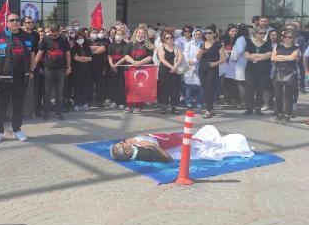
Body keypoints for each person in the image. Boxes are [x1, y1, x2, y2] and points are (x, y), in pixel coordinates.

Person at [0, 12, 34, 144]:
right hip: (3, 78)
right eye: (12, 20)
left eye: (17, 20)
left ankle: (17, 130)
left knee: (19, 105)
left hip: (21, 78)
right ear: (7, 22)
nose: (15, 22)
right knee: (1, 106)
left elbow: (32, 54)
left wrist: (31, 70)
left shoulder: (27, 37)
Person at [111, 125, 254, 162]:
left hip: (164, 139)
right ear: (128, 151)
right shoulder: (144, 153)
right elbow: (168, 159)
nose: (122, 142)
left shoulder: (131, 145)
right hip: (172, 147)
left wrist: (131, 140)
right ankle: (236, 143)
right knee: (203, 143)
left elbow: (128, 140)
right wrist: (153, 146)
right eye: (121, 145)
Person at [35, 23, 71, 120]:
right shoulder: (45, 39)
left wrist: (68, 66)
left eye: (55, 35)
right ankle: (46, 113)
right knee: (47, 92)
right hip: (48, 69)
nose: (53, 36)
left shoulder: (64, 39)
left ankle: (58, 112)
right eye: (52, 34)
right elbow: (40, 53)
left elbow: (67, 54)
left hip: (61, 69)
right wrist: (34, 65)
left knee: (59, 92)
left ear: (59, 31)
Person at [123, 26, 154, 114]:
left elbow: (150, 57)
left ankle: (138, 106)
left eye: (143, 33)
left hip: (142, 70)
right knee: (129, 88)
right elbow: (125, 55)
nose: (141, 34)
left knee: (140, 88)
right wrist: (133, 62)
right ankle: (129, 105)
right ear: (136, 33)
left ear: (145, 35)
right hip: (130, 69)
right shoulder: (130, 44)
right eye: (139, 33)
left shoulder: (148, 45)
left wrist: (140, 62)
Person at [197, 25, 226, 118]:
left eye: (209, 33)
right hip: (202, 69)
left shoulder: (218, 45)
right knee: (205, 89)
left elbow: (224, 59)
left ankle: (208, 110)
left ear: (214, 34)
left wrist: (215, 63)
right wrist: (201, 52)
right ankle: (210, 108)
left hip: (213, 69)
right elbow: (198, 58)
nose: (207, 35)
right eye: (205, 33)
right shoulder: (202, 44)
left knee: (209, 89)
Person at [272, 30, 300, 123]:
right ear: (282, 37)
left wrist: (279, 57)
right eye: (285, 36)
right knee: (277, 95)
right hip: (278, 72)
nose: (287, 38)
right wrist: (287, 57)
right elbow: (273, 58)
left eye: (290, 37)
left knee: (288, 96)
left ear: (293, 38)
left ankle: (287, 115)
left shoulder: (296, 48)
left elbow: (293, 57)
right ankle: (279, 114)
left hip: (290, 73)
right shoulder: (277, 47)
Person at [244, 27, 272, 115]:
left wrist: (255, 55)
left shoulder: (267, 43)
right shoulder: (249, 43)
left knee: (260, 89)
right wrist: (262, 56)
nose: (262, 35)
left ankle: (258, 108)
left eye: (264, 33)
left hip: (263, 70)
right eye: (260, 33)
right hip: (251, 70)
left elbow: (269, 55)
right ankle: (249, 108)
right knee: (250, 89)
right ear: (255, 34)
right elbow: (247, 56)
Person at [157, 28, 182, 114]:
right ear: (164, 39)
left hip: (175, 69)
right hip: (164, 70)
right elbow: (162, 59)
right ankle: (164, 106)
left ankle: (174, 106)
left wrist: (176, 66)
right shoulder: (161, 47)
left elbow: (180, 57)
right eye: (167, 38)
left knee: (175, 88)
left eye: (171, 37)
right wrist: (171, 67)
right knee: (164, 88)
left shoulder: (176, 47)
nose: (169, 39)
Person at [22, 16, 42, 116]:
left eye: (31, 22)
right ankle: (24, 110)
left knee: (36, 88)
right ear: (24, 23)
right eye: (28, 22)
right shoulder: (21, 34)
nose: (30, 24)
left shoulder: (36, 34)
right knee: (24, 89)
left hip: (35, 65)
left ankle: (36, 110)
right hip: (23, 65)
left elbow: (38, 51)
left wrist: (35, 64)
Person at [183, 28, 203, 109]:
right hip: (189, 67)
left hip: (199, 66)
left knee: (199, 87)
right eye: (196, 34)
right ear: (193, 35)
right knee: (189, 86)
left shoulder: (203, 44)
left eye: (199, 34)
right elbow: (185, 55)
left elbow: (201, 56)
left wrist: (194, 61)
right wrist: (189, 62)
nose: (197, 36)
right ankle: (188, 101)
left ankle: (199, 102)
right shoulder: (188, 44)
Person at [72, 31, 92, 111]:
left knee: (85, 86)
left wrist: (80, 58)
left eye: (81, 38)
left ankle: (84, 102)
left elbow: (90, 58)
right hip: (77, 70)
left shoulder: (87, 48)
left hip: (86, 70)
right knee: (77, 87)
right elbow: (75, 58)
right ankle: (77, 103)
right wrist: (84, 58)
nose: (80, 40)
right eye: (78, 38)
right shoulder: (74, 48)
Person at [107, 30, 127, 109]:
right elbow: (109, 56)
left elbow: (125, 57)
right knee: (114, 85)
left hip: (122, 68)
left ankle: (122, 102)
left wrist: (116, 64)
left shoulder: (125, 45)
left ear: (123, 36)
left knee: (121, 85)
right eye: (117, 34)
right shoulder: (111, 45)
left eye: (120, 34)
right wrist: (112, 65)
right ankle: (115, 101)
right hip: (113, 68)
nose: (118, 36)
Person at [89, 28, 107, 107]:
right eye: (93, 33)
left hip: (99, 66)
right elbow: (87, 48)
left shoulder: (101, 41)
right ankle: (89, 100)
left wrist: (91, 52)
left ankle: (99, 101)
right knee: (89, 84)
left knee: (99, 84)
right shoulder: (87, 41)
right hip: (89, 66)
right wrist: (96, 48)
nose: (95, 34)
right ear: (89, 34)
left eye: (96, 32)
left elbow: (102, 49)